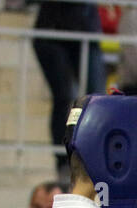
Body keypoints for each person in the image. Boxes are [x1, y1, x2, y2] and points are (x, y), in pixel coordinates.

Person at [33, 1, 105, 179]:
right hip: (52, 29)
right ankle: (63, 163)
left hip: (86, 27)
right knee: (65, 97)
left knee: (98, 100)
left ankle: (96, 161)